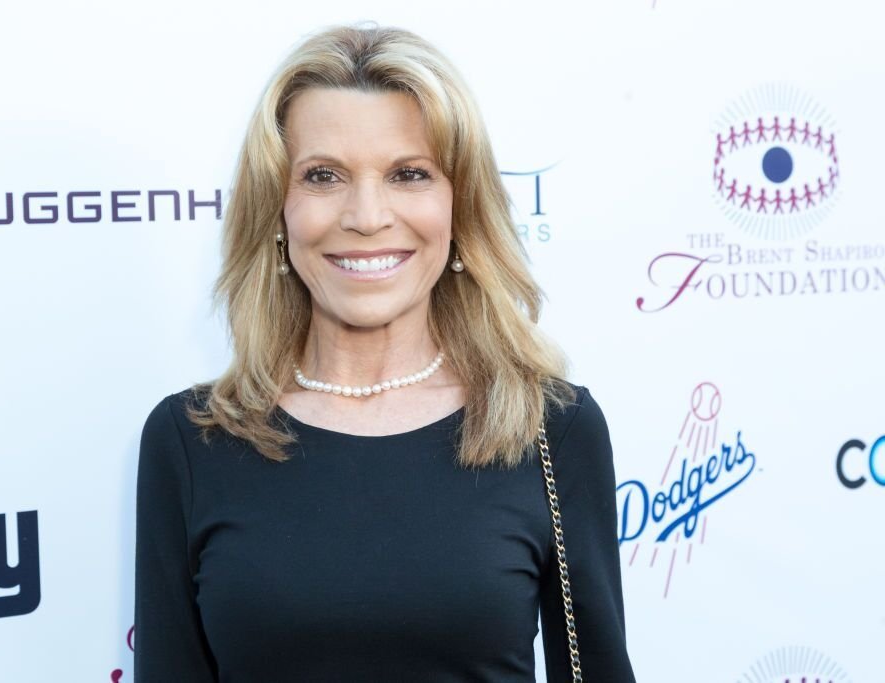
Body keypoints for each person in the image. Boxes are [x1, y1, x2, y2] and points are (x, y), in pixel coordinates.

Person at [134, 21, 636, 682]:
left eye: (408, 173)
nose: (367, 215)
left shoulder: (548, 428)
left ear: (459, 208)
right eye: (322, 175)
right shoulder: (192, 439)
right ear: (278, 212)